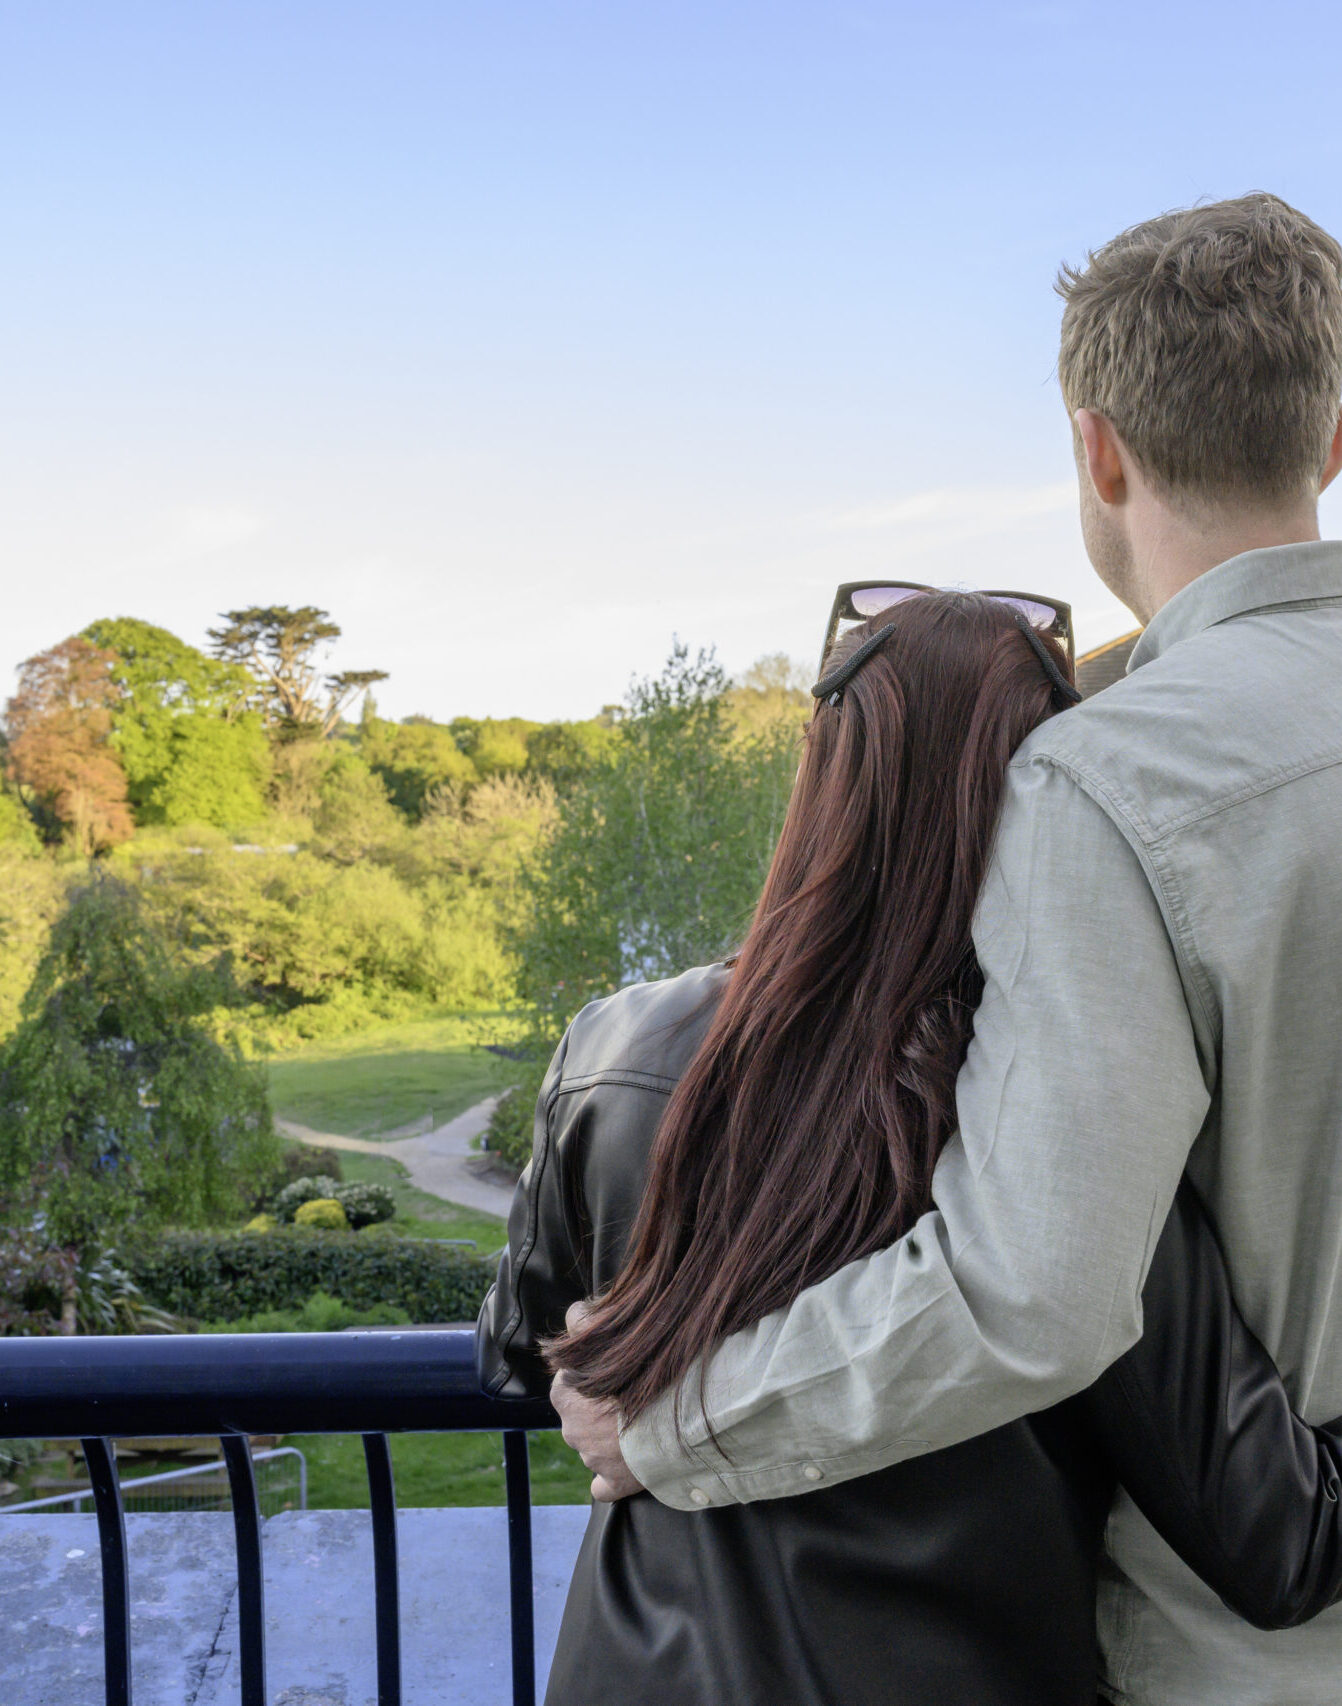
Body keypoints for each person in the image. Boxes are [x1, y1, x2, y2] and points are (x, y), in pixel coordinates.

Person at [545, 193, 1342, 1706]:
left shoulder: (1113, 780)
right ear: (1331, 437)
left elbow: (1034, 1291)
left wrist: (666, 1418)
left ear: (1095, 451)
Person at [480, 590, 1342, 1705]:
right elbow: (1281, 1539)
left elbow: (512, 1354)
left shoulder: (616, 1047)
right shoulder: (1052, 1123)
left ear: (819, 769)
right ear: (1039, 792)